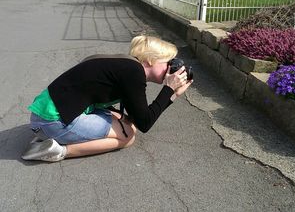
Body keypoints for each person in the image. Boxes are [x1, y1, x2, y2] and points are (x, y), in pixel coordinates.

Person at [22, 35, 193, 162]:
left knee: (126, 122)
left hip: (45, 114)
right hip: (53, 121)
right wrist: (168, 88)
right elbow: (145, 123)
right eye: (168, 63)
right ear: (150, 60)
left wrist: (173, 95)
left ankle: (47, 137)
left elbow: (139, 115)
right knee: (128, 137)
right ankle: (57, 150)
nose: (171, 68)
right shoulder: (133, 73)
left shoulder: (126, 66)